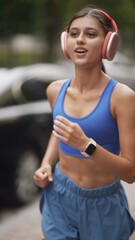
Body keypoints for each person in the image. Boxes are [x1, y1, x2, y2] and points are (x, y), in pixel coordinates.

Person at [34, 5, 135, 240]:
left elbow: (130, 173)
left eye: (90, 34)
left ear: (108, 44)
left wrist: (86, 145)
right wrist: (47, 163)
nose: (80, 40)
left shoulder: (123, 97)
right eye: (74, 33)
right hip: (59, 196)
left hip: (103, 205)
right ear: (65, 42)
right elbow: (58, 132)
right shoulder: (54, 90)